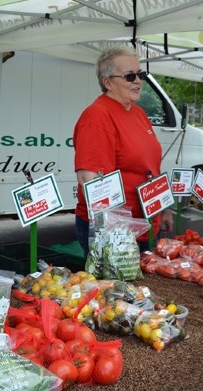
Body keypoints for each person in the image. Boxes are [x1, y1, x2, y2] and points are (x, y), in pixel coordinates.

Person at [73, 47, 173, 255]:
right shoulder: (97, 117)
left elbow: (150, 168)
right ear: (107, 82)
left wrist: (163, 208)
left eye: (140, 74)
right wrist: (118, 235)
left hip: (144, 224)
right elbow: (91, 180)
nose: (137, 81)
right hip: (116, 232)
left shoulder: (138, 113)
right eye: (129, 76)